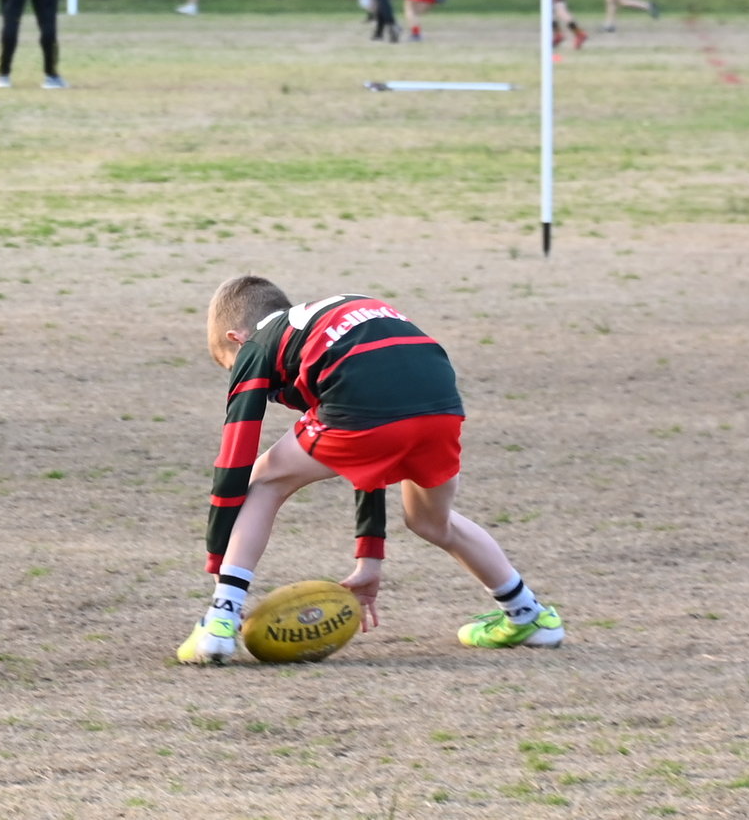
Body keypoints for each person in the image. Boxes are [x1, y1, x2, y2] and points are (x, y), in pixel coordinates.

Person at [177, 274, 564, 664]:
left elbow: (234, 458)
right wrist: (369, 558)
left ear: (235, 339)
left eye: (231, 365)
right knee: (432, 521)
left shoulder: (257, 343)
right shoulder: (330, 320)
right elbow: (371, 455)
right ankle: (529, 615)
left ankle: (219, 622)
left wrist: (219, 565)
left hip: (370, 404)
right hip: (440, 404)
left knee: (263, 480)